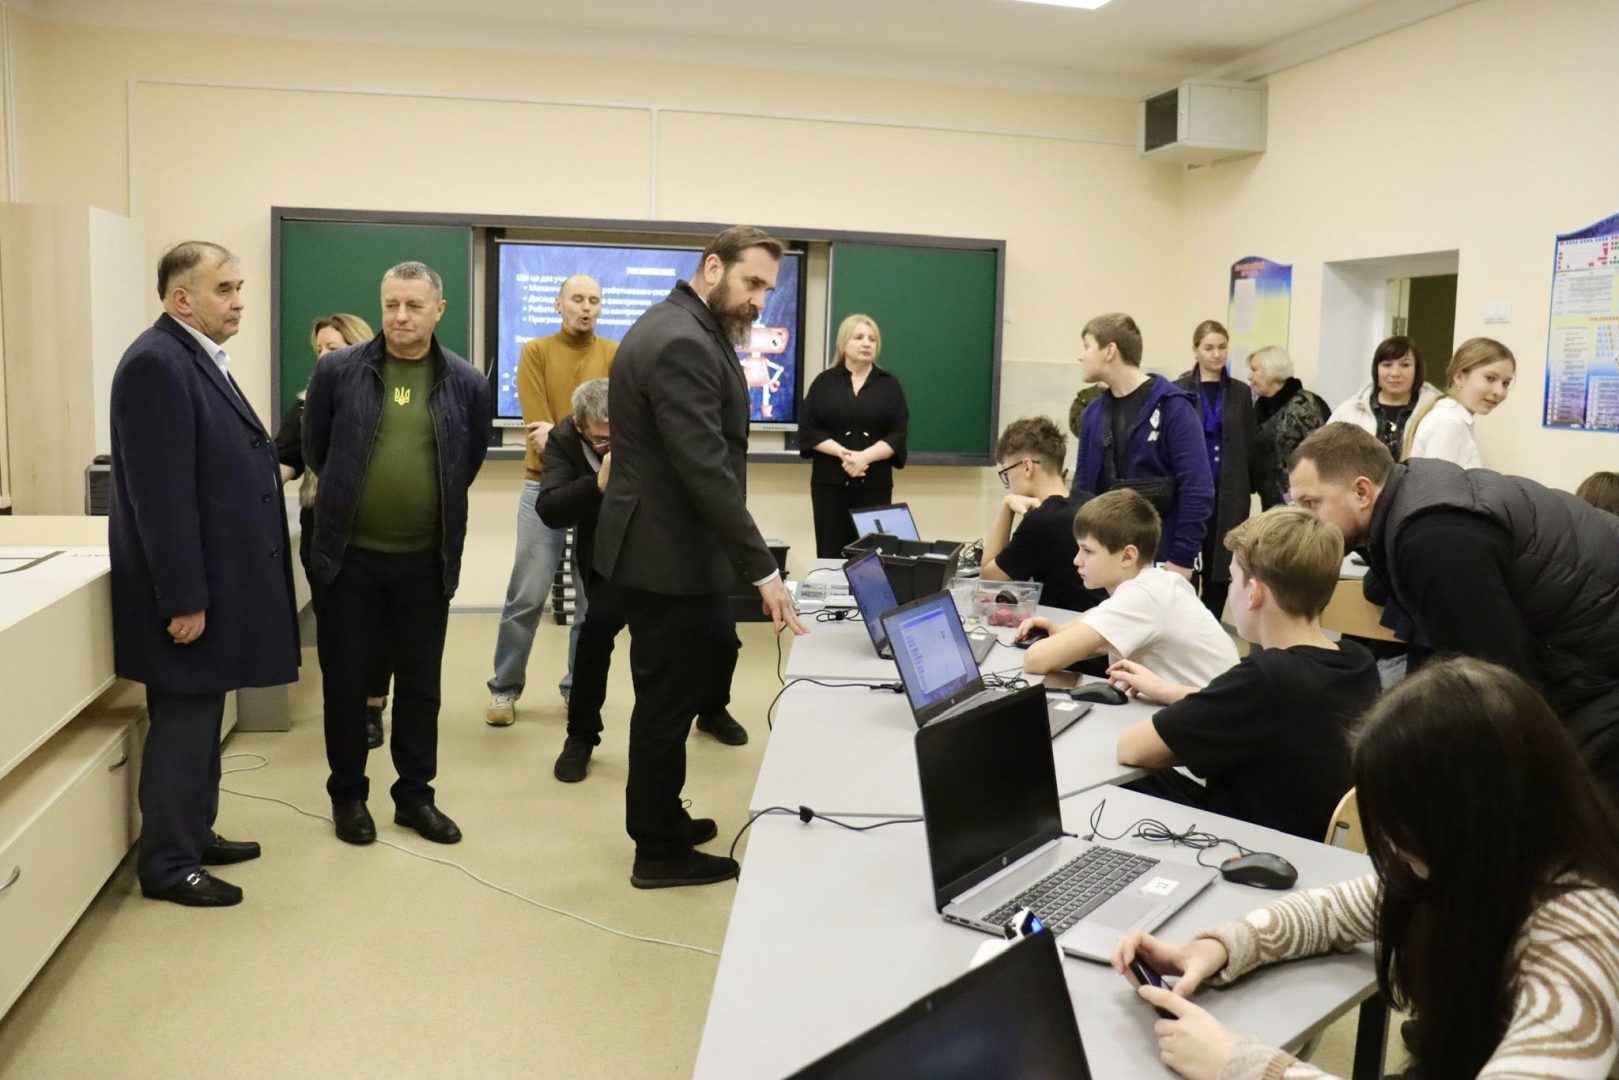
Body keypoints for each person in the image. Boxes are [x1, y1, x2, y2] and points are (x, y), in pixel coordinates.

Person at [1112, 657, 1619, 1080]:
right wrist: (1217, 947)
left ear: (1466, 818)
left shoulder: (1585, 938)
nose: (1392, 847)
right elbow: (1338, 909)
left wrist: (1240, 1064)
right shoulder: (1493, 866)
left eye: (1402, 825)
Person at [595, 225, 806, 889]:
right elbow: (705, 469)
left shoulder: (677, 323)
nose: (759, 301)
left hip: (665, 550)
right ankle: (657, 851)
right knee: (665, 708)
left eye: (767, 289)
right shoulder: (683, 340)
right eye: (751, 283)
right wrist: (764, 571)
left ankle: (663, 818)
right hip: (667, 556)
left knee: (672, 698)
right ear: (713, 268)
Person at [108, 241, 299, 907]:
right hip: (189, 594)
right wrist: (183, 598)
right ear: (182, 298)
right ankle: (168, 864)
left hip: (216, 583)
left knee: (202, 718)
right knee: (184, 726)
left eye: (239, 287)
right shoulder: (156, 364)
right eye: (225, 289)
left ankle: (193, 833)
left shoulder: (195, 357)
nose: (239, 301)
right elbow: (160, 499)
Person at [1289, 422, 1619, 798]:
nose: (1304, 518)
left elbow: (1500, 679)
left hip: (1598, 667)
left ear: (1362, 491)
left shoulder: (1432, 538)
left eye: (1311, 503)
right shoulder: (1413, 500)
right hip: (1589, 653)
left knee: (1568, 809)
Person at [304, 261, 492, 847]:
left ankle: (414, 797)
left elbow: (466, 463)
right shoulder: (338, 371)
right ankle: (348, 795)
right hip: (349, 560)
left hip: (425, 562)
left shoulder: (466, 382)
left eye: (413, 305)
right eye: (391, 305)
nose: (400, 316)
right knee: (345, 684)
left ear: (439, 310)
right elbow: (317, 449)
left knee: (420, 686)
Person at [1109, 507, 1381, 839]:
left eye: (1233, 579)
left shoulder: (1267, 676)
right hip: (1311, 839)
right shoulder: (1357, 662)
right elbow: (1271, 713)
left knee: (1122, 779)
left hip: (1251, 844)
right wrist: (1172, 692)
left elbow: (1132, 749)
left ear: (1254, 593)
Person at [539, 380, 747, 783]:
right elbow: (550, 508)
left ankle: (713, 709)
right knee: (594, 636)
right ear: (580, 426)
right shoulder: (564, 439)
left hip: (676, 551)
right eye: (602, 441)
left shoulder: (652, 423)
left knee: (722, 636)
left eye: (617, 437)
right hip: (613, 558)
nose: (612, 447)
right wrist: (597, 484)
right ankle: (581, 736)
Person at [485, 274, 617, 726]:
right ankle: (504, 689)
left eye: (594, 300)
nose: (586, 307)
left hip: (601, 491)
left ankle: (577, 689)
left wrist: (563, 433)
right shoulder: (536, 351)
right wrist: (570, 434)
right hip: (543, 486)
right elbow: (541, 434)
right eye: (577, 299)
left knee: (588, 600)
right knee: (527, 595)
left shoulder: (614, 354)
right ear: (558, 304)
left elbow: (609, 422)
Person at [274, 312, 391, 750]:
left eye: (334, 348)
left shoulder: (389, 400)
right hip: (324, 531)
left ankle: (372, 706)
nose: (324, 356)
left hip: (378, 527)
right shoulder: (307, 405)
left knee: (378, 624)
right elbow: (284, 461)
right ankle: (344, 705)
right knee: (336, 625)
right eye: (319, 349)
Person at [1016, 489, 1237, 692]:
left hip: (1214, 716)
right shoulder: (1160, 582)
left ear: (1127, 556)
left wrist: (1057, 641)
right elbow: (1101, 620)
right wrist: (1060, 632)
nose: (1077, 560)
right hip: (1213, 708)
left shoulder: (1142, 596)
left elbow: (1035, 660)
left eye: (1087, 551)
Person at [1071, 313, 1213, 583]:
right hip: (1108, 566)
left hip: (1163, 561)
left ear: (1110, 351)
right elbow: (1082, 491)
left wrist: (1182, 559)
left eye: (1087, 346)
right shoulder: (1092, 415)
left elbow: (1197, 489)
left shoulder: (1174, 407)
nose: (1081, 356)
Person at [798, 314, 909, 558]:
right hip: (830, 484)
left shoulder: (889, 385)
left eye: (872, 339)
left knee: (872, 555)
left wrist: (864, 457)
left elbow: (898, 434)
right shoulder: (824, 383)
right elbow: (808, 429)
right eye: (858, 337)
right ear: (843, 344)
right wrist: (844, 454)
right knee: (830, 553)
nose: (866, 343)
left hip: (874, 484)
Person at [1173, 320, 1258, 618]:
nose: (1217, 354)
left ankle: (1211, 624)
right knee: (1186, 561)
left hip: (1229, 490)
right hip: (1190, 490)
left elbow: (1249, 441)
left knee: (1222, 563)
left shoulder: (1240, 392)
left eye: (1222, 347)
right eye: (1209, 348)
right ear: (1196, 350)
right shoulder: (1179, 390)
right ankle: (1185, 624)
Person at [979, 416, 1099, 612]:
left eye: (1006, 474)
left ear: (1027, 467)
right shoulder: (1087, 501)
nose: (1008, 485)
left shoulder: (1043, 521)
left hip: (1063, 623)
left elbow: (988, 579)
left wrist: (1007, 507)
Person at [1403, 336, 1515, 467]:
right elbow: (1435, 479)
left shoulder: (1452, 418)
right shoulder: (1448, 423)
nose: (1499, 391)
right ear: (1459, 377)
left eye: (1505, 383)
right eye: (1490, 378)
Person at [1327, 335, 1441, 461]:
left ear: (1417, 370)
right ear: (1376, 369)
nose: (1395, 373)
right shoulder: (1350, 410)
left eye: (1405, 365)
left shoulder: (1437, 411)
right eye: (1387, 365)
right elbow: (1323, 454)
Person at [1246, 345, 1327, 509]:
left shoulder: (1305, 405)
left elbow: (1323, 454)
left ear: (1272, 371)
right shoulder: (1260, 407)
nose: (1249, 376)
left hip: (1302, 504)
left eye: (1254, 370)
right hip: (1270, 503)